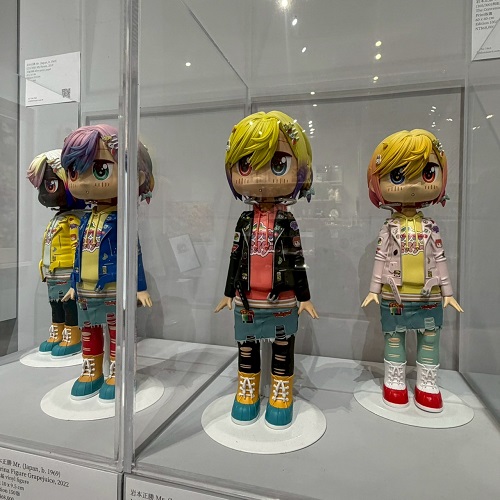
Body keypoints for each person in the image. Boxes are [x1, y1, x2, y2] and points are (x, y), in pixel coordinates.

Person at [215, 111, 318, 429]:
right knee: (246, 348)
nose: (261, 177)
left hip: (283, 298)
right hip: (247, 299)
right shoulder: (244, 220)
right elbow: (235, 257)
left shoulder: (288, 221)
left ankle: (280, 394)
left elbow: (297, 259)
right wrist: (228, 292)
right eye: (247, 165)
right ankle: (247, 391)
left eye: (277, 164)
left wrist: (304, 296)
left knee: (283, 349)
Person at [362, 129, 463, 413]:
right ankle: (394, 381)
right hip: (394, 293)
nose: (413, 184)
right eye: (397, 176)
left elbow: (439, 257)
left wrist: (448, 292)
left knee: (430, 338)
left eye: (427, 173)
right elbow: (380, 257)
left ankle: (427, 384)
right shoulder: (389, 227)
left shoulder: (431, 227)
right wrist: (373, 290)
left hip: (428, 294)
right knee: (394, 337)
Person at [61, 125, 154, 402]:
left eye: (101, 170)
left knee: (117, 332)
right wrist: (73, 283)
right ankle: (91, 369)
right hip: (86, 290)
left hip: (113, 288)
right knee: (89, 329)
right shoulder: (86, 219)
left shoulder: (121, 221)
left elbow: (134, 253)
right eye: (75, 172)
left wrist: (139, 287)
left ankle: (119, 370)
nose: (85, 182)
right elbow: (78, 255)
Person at [27, 149, 84, 357]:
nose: (44, 193)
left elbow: (78, 250)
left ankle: (73, 335)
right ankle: (57, 332)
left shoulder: (74, 221)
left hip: (68, 273)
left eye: (50, 185)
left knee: (69, 306)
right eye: (42, 186)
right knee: (55, 305)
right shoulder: (59, 220)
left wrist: (77, 275)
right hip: (53, 273)